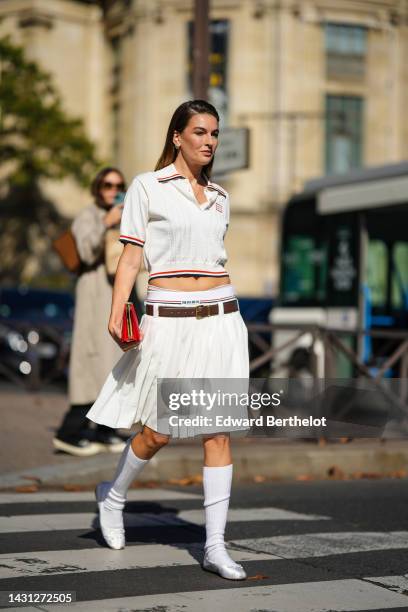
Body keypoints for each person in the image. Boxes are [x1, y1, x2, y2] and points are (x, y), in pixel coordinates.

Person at [87, 100, 250, 580]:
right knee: (159, 430)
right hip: (168, 317)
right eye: (199, 132)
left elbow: (212, 257)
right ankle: (112, 496)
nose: (209, 141)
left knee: (216, 431)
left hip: (222, 317)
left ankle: (215, 546)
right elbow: (132, 259)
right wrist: (118, 309)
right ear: (177, 136)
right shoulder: (146, 186)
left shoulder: (221, 196)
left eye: (215, 134)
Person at [53, 167, 141, 457]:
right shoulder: (89, 216)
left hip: (118, 301)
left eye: (118, 185)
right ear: (97, 187)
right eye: (107, 184)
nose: (112, 190)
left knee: (113, 368)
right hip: (95, 303)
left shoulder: (126, 216)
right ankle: (69, 432)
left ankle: (104, 432)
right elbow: (87, 251)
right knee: (90, 369)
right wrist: (106, 222)